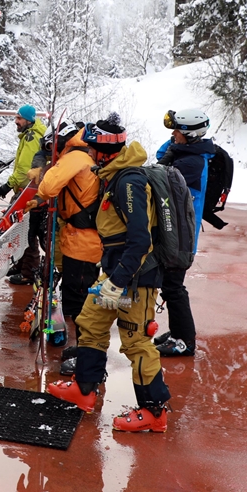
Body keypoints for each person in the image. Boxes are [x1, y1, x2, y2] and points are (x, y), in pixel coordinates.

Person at [46, 139, 172, 433]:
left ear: (107, 153)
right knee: (90, 320)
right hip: (113, 273)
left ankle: (154, 412)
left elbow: (140, 240)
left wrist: (117, 282)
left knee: (137, 342)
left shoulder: (129, 182)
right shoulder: (113, 176)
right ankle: (85, 389)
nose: (88, 152)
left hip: (135, 278)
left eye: (92, 148)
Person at [24, 121, 104, 353]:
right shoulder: (83, 153)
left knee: (80, 299)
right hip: (80, 236)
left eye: (52, 146)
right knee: (79, 293)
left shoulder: (73, 157)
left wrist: (47, 175)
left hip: (83, 240)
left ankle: (85, 354)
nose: (51, 152)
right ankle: (83, 349)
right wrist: (39, 200)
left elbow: (49, 186)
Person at [152, 107, 216, 358]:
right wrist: (173, 144)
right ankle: (179, 331)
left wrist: (171, 152)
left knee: (173, 287)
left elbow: (160, 175)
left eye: (177, 131)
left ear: (190, 135)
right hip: (176, 232)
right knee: (171, 285)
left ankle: (184, 340)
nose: (173, 134)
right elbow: (162, 158)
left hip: (181, 236)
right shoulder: (189, 152)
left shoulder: (191, 162)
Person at [0, 105, 47, 284]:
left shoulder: (32, 137)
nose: (16, 122)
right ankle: (20, 264)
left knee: (25, 231)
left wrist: (7, 185)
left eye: (19, 118)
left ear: (28, 120)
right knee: (19, 230)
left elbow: (25, 169)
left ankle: (29, 272)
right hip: (27, 190)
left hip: (27, 192)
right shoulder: (31, 134)